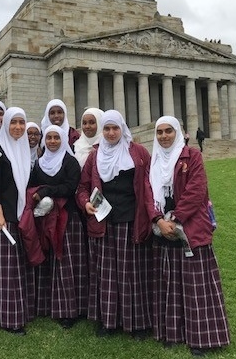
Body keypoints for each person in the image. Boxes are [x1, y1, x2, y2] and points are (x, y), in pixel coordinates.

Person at [149, 116, 230, 356]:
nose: (164, 136)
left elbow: (197, 190)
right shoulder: (152, 161)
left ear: (178, 133)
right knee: (170, 284)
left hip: (190, 228)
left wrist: (175, 219)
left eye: (168, 131)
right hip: (163, 229)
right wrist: (158, 219)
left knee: (195, 286)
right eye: (160, 132)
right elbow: (146, 194)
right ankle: (172, 333)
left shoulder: (192, 156)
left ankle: (200, 338)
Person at [76, 110, 159, 339]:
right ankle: (108, 321)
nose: (111, 133)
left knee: (133, 273)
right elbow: (82, 187)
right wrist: (85, 204)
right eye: (107, 128)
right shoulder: (95, 156)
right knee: (106, 274)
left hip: (131, 221)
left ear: (122, 128)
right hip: (104, 223)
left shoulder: (138, 153)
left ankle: (138, 323)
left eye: (115, 128)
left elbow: (151, 185)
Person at [0, 107, 35, 335]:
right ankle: (10, 319)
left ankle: (9, 311)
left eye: (22, 122)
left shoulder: (23, 150)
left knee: (13, 269)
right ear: (6, 124)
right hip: (3, 220)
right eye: (14, 123)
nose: (18, 127)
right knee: (5, 272)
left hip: (18, 217)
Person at [28, 125, 85, 329]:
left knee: (65, 262)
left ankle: (69, 310)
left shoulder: (69, 162)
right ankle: (48, 305)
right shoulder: (40, 163)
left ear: (62, 140)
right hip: (45, 218)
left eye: (56, 138)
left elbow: (70, 188)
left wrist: (46, 191)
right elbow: (32, 187)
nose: (52, 141)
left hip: (67, 219)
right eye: (49, 138)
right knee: (48, 261)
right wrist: (42, 194)